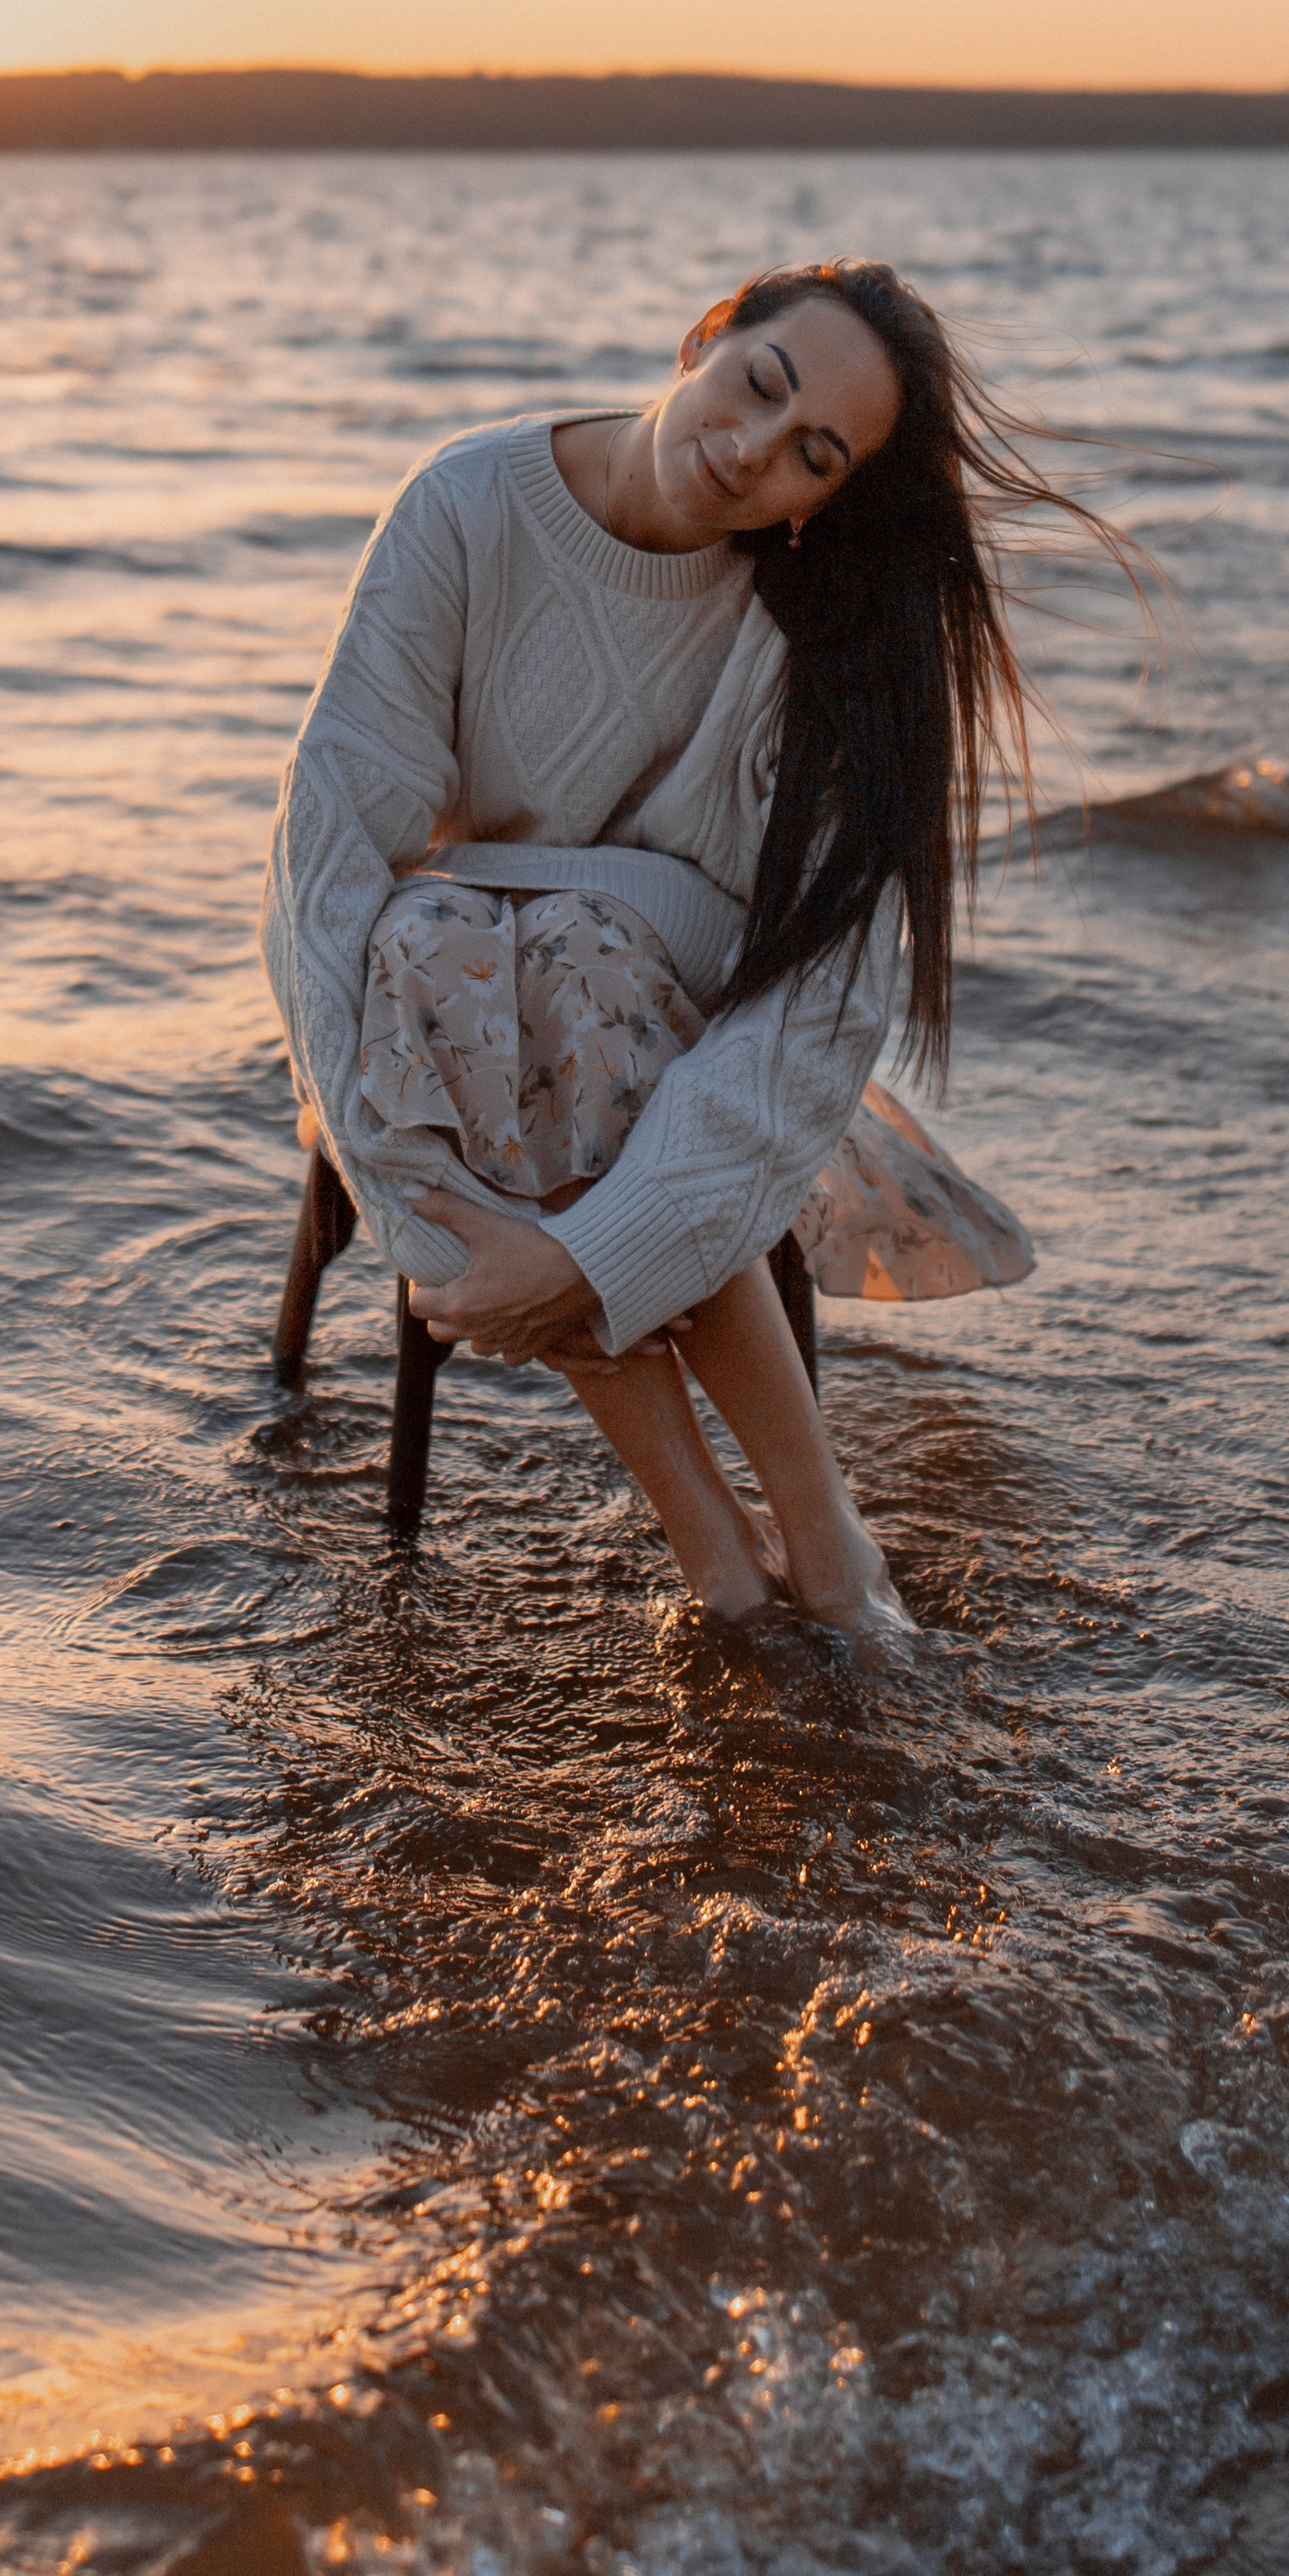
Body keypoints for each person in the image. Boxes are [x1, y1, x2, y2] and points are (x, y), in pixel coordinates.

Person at [261, 260, 1135, 1632]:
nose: (749, 451)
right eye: (759, 384)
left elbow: (818, 1010)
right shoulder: (469, 506)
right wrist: (398, 1192)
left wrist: (581, 1259)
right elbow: (327, 851)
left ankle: (784, 1546)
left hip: (701, 1043)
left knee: (550, 960)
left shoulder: (817, 631)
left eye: (813, 458)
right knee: (435, 940)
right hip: (464, 1002)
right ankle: (777, 1550)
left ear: (828, 506)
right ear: (705, 335)